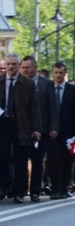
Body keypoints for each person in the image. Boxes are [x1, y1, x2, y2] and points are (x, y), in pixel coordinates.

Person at [0, 54, 41, 202]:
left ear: (18, 65)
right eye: (8, 64)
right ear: (4, 65)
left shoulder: (27, 83)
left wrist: (36, 128)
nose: (11, 67)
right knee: (0, 157)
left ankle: (19, 192)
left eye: (14, 64)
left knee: (20, 159)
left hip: (21, 124)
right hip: (2, 123)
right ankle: (2, 187)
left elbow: (34, 107)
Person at [20, 55, 55, 201]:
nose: (25, 70)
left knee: (37, 160)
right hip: (22, 129)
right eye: (23, 68)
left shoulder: (47, 84)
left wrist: (53, 127)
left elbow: (52, 107)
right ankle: (20, 190)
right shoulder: (18, 83)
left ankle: (35, 191)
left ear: (35, 67)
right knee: (21, 161)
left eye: (28, 68)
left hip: (41, 129)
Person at [47, 61, 75, 198]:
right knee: (53, 160)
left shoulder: (72, 90)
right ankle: (56, 189)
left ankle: (64, 188)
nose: (58, 75)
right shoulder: (47, 88)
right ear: (52, 73)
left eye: (61, 73)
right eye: (56, 72)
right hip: (51, 131)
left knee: (67, 160)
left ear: (65, 74)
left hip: (68, 132)